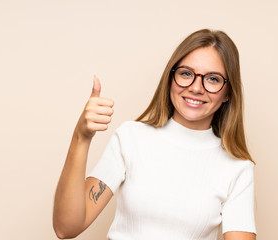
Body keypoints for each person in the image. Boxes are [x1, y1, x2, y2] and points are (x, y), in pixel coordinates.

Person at [53, 29, 257, 240]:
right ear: (170, 78)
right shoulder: (130, 138)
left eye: (213, 79)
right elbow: (66, 228)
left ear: (227, 93)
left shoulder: (237, 168)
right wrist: (81, 137)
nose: (196, 88)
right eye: (186, 73)